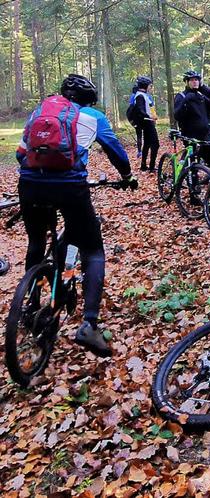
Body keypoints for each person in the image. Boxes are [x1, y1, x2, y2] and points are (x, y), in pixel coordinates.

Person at [16, 74, 138, 357]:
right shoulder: (93, 116)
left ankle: (30, 305)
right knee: (93, 249)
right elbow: (115, 152)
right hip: (69, 187)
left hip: (30, 185)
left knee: (35, 242)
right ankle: (89, 324)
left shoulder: (40, 112)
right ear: (89, 100)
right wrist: (127, 176)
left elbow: (20, 155)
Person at [174, 70, 210, 175]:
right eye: (192, 80)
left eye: (197, 80)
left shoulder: (201, 96)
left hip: (205, 136)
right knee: (191, 166)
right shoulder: (181, 96)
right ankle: (187, 184)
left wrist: (206, 89)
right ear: (187, 82)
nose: (195, 82)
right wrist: (186, 101)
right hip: (189, 136)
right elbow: (177, 115)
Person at [133, 76, 160, 172]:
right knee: (156, 144)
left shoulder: (142, 95)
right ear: (145, 86)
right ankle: (152, 166)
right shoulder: (140, 96)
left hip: (147, 122)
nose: (150, 87)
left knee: (147, 143)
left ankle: (143, 166)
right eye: (150, 86)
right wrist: (150, 117)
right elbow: (140, 110)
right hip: (147, 123)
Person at [128, 85, 142, 158]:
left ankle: (140, 151)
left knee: (139, 135)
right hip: (143, 119)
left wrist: (132, 121)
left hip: (136, 120)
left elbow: (130, 110)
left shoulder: (132, 97)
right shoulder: (142, 95)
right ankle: (142, 151)